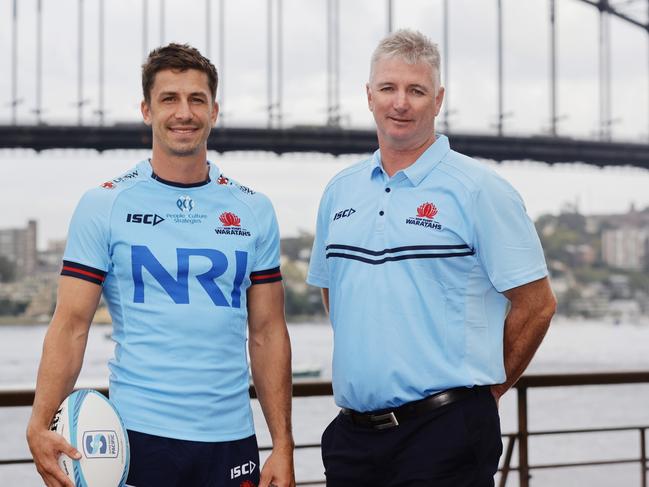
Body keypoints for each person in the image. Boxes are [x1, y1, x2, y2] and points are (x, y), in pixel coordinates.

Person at [26, 43, 295, 487]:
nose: (183, 112)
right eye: (169, 99)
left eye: (197, 99)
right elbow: (71, 325)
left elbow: (267, 332)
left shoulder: (254, 210)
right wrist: (39, 424)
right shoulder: (104, 204)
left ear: (215, 111)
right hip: (137, 439)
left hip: (231, 440)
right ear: (147, 110)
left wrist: (282, 446)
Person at [307, 29, 556, 487]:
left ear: (437, 100)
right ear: (368, 96)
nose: (400, 102)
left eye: (415, 90)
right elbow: (334, 293)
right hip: (352, 439)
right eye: (388, 88)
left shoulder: (480, 190)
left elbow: (537, 304)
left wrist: (485, 393)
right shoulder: (339, 192)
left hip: (446, 435)